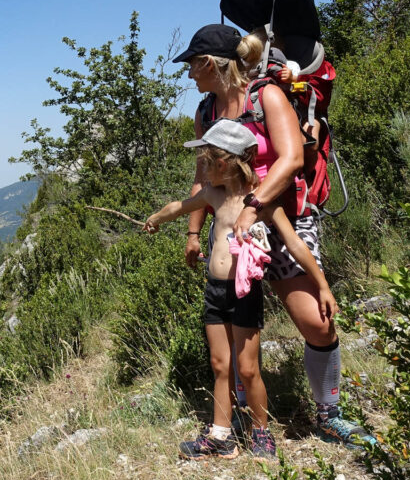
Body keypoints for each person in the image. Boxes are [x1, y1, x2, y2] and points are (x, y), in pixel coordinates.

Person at [173, 24, 376, 448]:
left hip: (283, 220)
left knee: (317, 324)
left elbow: (292, 159)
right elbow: (201, 177)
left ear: (210, 63)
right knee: (234, 335)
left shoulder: (266, 96)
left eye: (192, 65)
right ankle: (246, 420)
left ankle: (328, 414)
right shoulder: (206, 112)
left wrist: (255, 204)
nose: (190, 74)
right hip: (232, 229)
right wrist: (194, 234)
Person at [143, 119, 335, 461]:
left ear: (222, 163)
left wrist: (321, 286)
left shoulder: (261, 203)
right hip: (215, 291)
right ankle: (221, 437)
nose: (200, 169)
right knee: (221, 365)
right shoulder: (213, 195)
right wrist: (156, 218)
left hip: (244, 293)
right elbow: (180, 207)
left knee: (247, 369)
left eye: (204, 161)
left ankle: (260, 432)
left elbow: (295, 244)